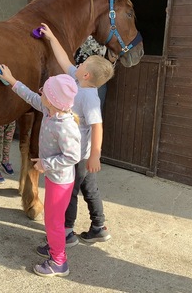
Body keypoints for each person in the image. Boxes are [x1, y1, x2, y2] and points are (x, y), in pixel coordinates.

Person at [0, 65, 81, 278]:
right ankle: (54, 247)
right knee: (53, 219)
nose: (41, 91)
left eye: (46, 91)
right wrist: (12, 79)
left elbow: (73, 156)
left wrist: (46, 164)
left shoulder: (65, 125)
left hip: (60, 180)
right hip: (55, 178)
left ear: (53, 100)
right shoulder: (49, 110)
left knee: (53, 221)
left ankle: (59, 262)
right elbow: (31, 97)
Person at [40, 23, 115, 245]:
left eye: (82, 63)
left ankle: (67, 231)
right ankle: (99, 226)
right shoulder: (76, 80)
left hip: (78, 152)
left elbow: (97, 126)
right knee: (89, 188)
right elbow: (65, 61)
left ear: (86, 73)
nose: (78, 64)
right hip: (79, 150)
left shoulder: (90, 97)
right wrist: (52, 37)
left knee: (70, 190)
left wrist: (95, 155)